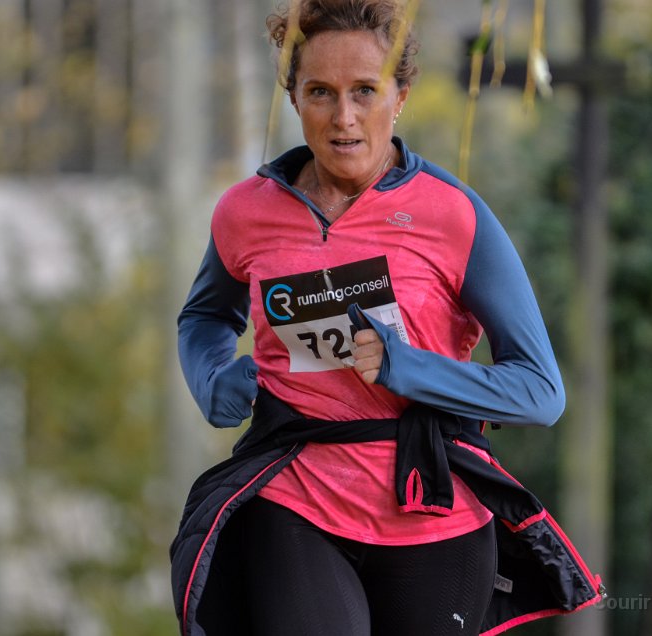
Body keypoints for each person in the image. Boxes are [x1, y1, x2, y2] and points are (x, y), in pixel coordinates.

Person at [170, 1, 602, 634]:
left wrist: (406, 368)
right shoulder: (246, 212)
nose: (343, 117)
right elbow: (205, 316)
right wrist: (213, 379)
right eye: (320, 92)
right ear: (293, 97)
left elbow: (539, 392)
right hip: (296, 497)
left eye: (365, 91)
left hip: (433, 510)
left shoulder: (453, 215)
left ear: (400, 96)